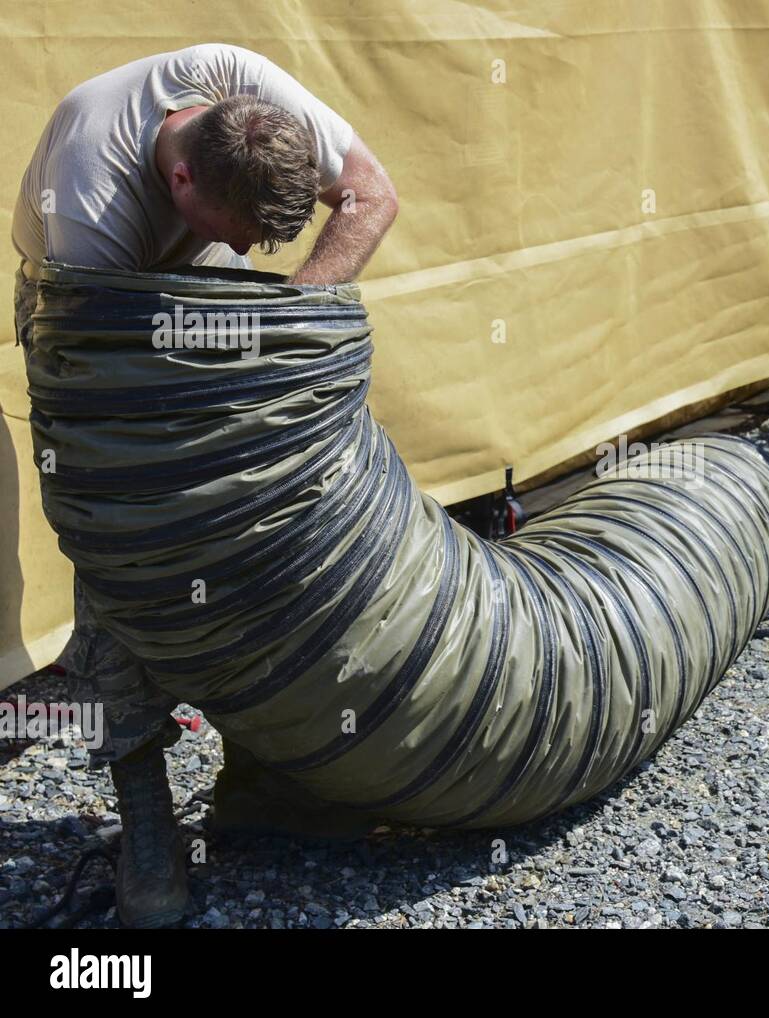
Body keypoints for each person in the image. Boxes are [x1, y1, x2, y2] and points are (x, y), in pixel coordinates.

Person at [11, 42, 399, 928]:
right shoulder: (91, 199)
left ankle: (263, 776)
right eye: (238, 229)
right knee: (132, 553)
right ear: (181, 180)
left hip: (195, 287)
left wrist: (287, 329)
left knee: (266, 526)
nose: (248, 249)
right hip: (91, 325)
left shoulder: (247, 91)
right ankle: (147, 817)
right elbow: (125, 413)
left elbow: (372, 196)